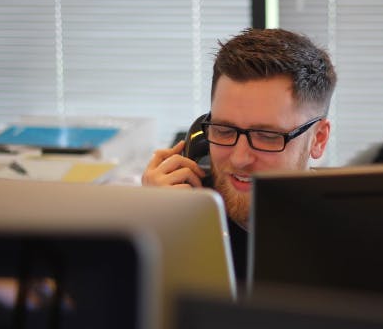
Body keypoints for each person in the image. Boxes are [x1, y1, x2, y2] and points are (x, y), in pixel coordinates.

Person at [141, 27, 337, 281]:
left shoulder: (353, 242)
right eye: (223, 130)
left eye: (267, 136)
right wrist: (150, 226)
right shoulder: (180, 217)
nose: (239, 158)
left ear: (318, 139)